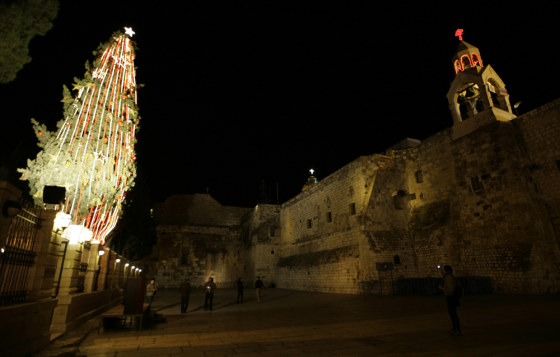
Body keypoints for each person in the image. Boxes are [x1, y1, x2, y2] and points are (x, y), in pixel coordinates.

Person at [438, 265, 461, 336]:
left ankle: (457, 329)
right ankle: (455, 328)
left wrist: (442, 288)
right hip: (452, 297)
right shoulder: (450, 276)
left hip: (451, 297)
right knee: (453, 314)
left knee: (453, 314)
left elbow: (450, 289)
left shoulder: (448, 277)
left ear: (446, 270)